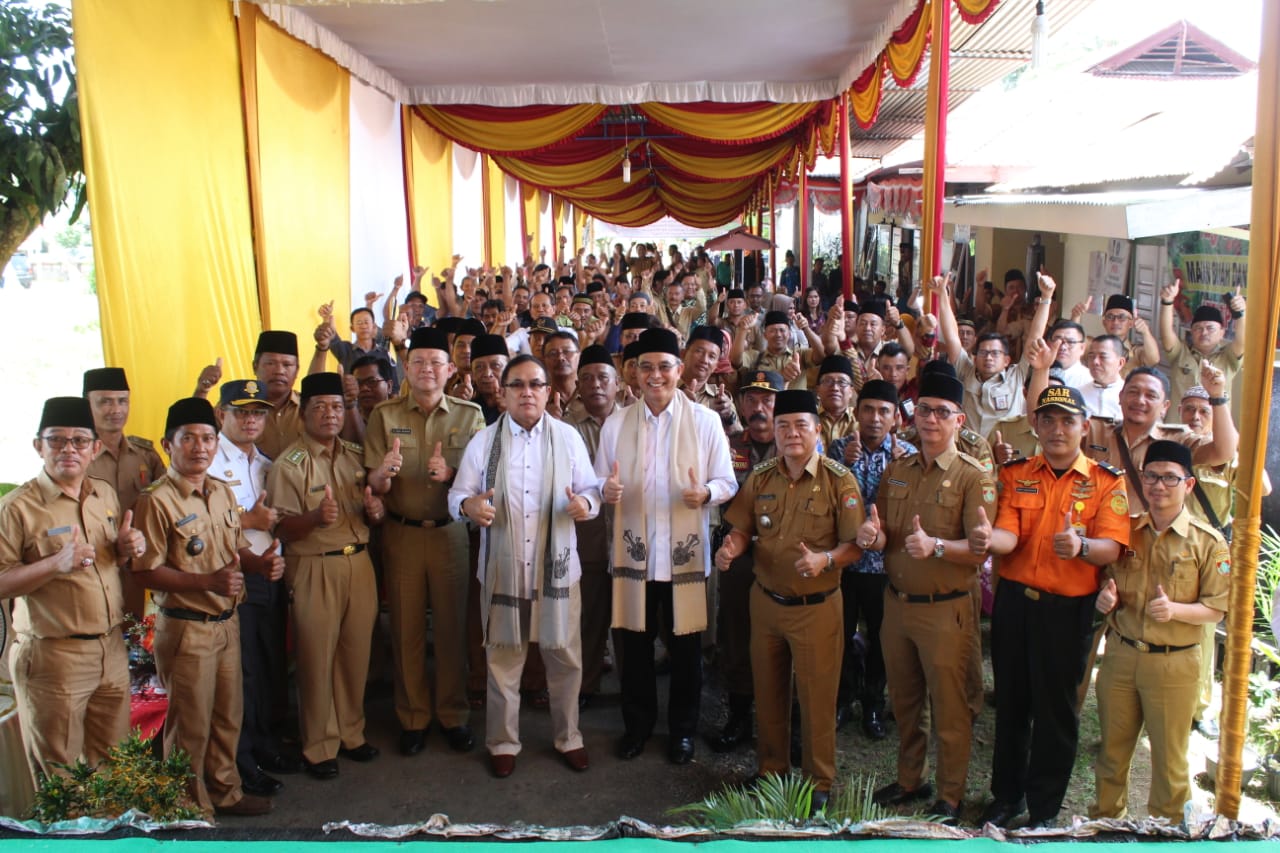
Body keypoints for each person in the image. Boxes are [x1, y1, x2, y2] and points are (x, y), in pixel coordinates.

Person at [980, 386, 1131, 828]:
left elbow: (1113, 548)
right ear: (1036, 426)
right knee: (1011, 704)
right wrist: (986, 540)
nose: (1057, 429)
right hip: (1014, 605)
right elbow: (1007, 533)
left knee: (1056, 710)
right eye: (1048, 420)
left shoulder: (1106, 481)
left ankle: (1043, 808)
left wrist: (1081, 545)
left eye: (1068, 420)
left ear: (1085, 427)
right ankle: (1005, 796)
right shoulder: (1016, 473)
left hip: (1067, 610)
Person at [449, 355, 601, 777]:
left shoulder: (568, 438)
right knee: (503, 659)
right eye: (517, 385)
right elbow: (457, 495)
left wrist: (584, 504)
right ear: (503, 393)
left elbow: (592, 490)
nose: (527, 392)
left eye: (536, 384)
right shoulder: (484, 442)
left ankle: (569, 736)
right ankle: (502, 741)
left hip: (557, 572)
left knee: (565, 658)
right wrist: (469, 505)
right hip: (503, 569)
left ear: (549, 392)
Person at [133, 398, 284, 817]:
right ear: (168, 444)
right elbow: (145, 572)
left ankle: (225, 792)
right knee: (190, 726)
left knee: (226, 717)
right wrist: (206, 583)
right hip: (186, 627)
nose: (200, 447)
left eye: (207, 439)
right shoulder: (156, 501)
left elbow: (234, 548)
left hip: (225, 621)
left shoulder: (219, 492)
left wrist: (261, 563)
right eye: (188, 439)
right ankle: (186, 807)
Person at [716, 390, 864, 813]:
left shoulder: (839, 480)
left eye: (801, 425)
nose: (791, 434)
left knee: (817, 697)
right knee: (769, 690)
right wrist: (732, 548)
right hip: (766, 603)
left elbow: (854, 547)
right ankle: (771, 770)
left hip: (816, 608)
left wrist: (826, 559)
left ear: (818, 431)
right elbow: (743, 529)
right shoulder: (761, 477)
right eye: (784, 427)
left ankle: (819, 780)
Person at [596, 328, 737, 764]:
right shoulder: (616, 423)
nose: (655, 376)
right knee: (634, 649)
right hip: (635, 555)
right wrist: (607, 491)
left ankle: (682, 732)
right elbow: (599, 482)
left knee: (686, 652)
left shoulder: (705, 421)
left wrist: (706, 495)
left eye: (663, 367)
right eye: (646, 367)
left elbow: (727, 481)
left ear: (679, 370)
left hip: (683, 557)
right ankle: (637, 727)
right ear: (633, 374)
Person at [866, 371, 995, 822]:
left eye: (942, 412)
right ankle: (909, 779)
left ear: (959, 420)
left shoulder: (973, 476)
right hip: (897, 605)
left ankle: (951, 795)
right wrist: (873, 535)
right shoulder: (898, 470)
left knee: (950, 705)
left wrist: (938, 547)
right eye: (924, 410)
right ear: (913, 415)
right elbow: (884, 532)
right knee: (904, 699)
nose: (931, 420)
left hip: (946, 610)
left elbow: (981, 549)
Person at [0, 397, 139, 782]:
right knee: (64, 780)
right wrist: (53, 564)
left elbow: (109, 562)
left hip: (110, 651)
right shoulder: (18, 508)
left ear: (95, 448)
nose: (68, 449)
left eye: (79, 440)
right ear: (38, 446)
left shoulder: (104, 495)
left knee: (115, 770)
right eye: (56, 440)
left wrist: (125, 550)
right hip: (54, 659)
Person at [1088, 440, 1229, 821]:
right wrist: (1106, 596)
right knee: (1111, 755)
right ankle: (1106, 826)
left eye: (1170, 477)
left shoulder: (1207, 543)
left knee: (1170, 761)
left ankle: (1167, 830)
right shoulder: (1125, 533)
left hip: (1173, 664)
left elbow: (1216, 608)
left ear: (1188, 484)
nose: (1158, 485)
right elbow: (1107, 579)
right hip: (1121, 656)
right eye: (1151, 476)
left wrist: (1175, 610)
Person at [364, 328, 485, 757]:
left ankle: (453, 715)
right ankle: (412, 717)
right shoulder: (383, 415)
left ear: (451, 369)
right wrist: (384, 473)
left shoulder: (469, 416)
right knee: (406, 629)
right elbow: (372, 483)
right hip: (402, 534)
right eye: (419, 362)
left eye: (437, 362)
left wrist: (450, 476)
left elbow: (484, 480)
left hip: (451, 533)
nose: (428, 370)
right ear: (407, 368)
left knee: (452, 629)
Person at [268, 373, 384, 780]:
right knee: (316, 659)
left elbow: (372, 504)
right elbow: (280, 529)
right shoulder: (289, 464)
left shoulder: (354, 454)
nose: (330, 414)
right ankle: (318, 745)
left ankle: (352, 734)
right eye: (320, 407)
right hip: (314, 565)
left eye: (336, 407)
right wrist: (316, 518)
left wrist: (376, 513)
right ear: (303, 414)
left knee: (356, 656)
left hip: (359, 563)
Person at [213, 380, 300, 796]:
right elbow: (202, 524)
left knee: (268, 666)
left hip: (269, 573)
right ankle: (242, 760)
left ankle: (265, 745)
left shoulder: (264, 462)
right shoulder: (208, 460)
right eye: (241, 412)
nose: (251, 420)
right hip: (231, 577)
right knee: (242, 673)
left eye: (258, 413)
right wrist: (246, 521)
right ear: (221, 414)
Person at [827, 380, 916, 739]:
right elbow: (825, 499)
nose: (875, 418)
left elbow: (912, 509)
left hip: (884, 567)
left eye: (883, 411)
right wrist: (842, 465)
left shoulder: (908, 455)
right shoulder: (837, 449)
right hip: (846, 563)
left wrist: (902, 472)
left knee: (882, 638)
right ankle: (842, 698)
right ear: (856, 412)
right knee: (841, 635)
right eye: (868, 409)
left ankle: (873, 703)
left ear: (895, 417)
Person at [706, 370, 783, 752]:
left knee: (782, 636)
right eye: (751, 400)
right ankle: (739, 714)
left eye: (767, 400)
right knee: (736, 632)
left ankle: (785, 722)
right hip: (738, 556)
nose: (759, 407)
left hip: (782, 558)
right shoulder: (729, 445)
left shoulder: (796, 447)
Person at [563, 346, 621, 706]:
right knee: (590, 616)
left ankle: (633, 692)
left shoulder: (632, 421)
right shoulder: (565, 427)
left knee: (632, 621)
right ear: (577, 385)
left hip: (632, 532)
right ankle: (586, 686)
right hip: (589, 535)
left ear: (618, 383)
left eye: (603, 377)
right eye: (586, 378)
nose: (595, 385)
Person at [935, 273, 1053, 440]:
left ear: (1007, 360)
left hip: (1006, 453)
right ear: (975, 357)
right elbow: (952, 337)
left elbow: (1034, 337)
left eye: (995, 353)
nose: (988, 357)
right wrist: (942, 295)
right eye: (983, 352)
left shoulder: (1017, 375)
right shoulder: (966, 370)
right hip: (969, 453)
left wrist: (1046, 298)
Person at [83, 367, 166, 511]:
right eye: (106, 402)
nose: (116, 410)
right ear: (86, 404)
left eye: (122, 401)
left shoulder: (146, 455)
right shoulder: (78, 457)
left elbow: (168, 496)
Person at [1158, 280, 1246, 416]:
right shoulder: (1180, 353)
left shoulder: (1229, 358)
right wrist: (1167, 302)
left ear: (1222, 332)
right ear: (1191, 332)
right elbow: (1166, 332)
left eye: (1210, 328)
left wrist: (1240, 313)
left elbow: (1242, 340)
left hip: (1213, 430)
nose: (1204, 332)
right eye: (1198, 328)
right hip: (1179, 429)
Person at [1079, 335, 1126, 419]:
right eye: (1091, 356)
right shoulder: (1078, 394)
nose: (1095, 362)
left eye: (1103, 357)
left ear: (1120, 363)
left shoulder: (1129, 396)